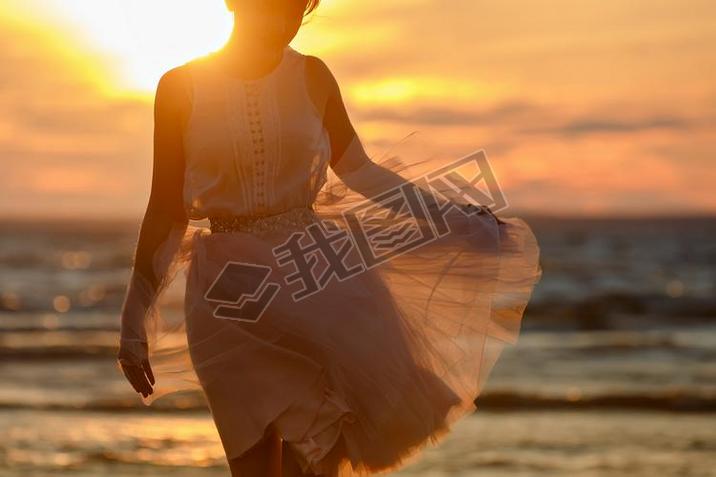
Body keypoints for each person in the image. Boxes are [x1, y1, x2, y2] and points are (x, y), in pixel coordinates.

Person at [117, 0, 542, 475]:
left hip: (315, 282)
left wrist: (453, 217)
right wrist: (134, 322)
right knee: (251, 463)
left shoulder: (312, 76)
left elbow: (361, 171)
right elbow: (165, 211)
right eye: (277, 7)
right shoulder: (180, 86)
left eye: (299, 9)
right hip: (227, 297)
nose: (289, 20)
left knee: (316, 458)